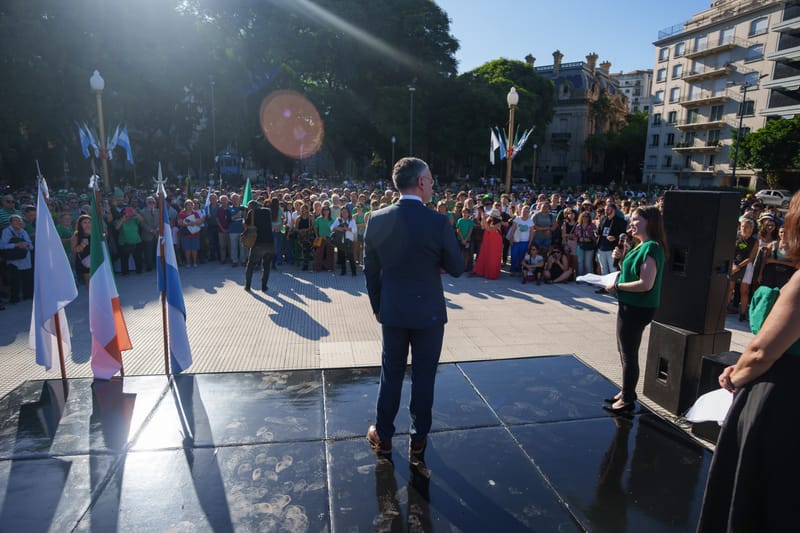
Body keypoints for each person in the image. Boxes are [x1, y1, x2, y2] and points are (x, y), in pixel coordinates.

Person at [697, 191, 800, 532]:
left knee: (755, 497)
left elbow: (761, 352)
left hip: (781, 400)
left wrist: (733, 375)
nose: (782, 229)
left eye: (787, 221)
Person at [364, 157, 464, 456]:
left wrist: (378, 306)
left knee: (391, 374)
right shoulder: (437, 221)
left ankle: (382, 435)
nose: (433, 185)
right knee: (424, 376)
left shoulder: (377, 218)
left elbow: (370, 271)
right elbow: (457, 267)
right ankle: (418, 438)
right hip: (429, 314)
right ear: (421, 183)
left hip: (392, 311)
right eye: (431, 179)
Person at [603, 206, 667, 414]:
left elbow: (645, 284)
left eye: (636, 220)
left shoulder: (652, 248)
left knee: (629, 353)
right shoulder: (640, 245)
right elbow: (629, 273)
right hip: (629, 305)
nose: (631, 223)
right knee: (624, 351)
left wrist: (617, 287)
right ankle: (626, 390)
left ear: (650, 222)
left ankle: (628, 398)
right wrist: (621, 258)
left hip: (638, 307)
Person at [0, 214, 34, 302]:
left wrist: (26, 245)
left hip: (25, 259)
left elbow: (30, 245)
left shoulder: (23, 231)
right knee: (15, 280)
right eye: (16, 220)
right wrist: (16, 245)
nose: (18, 222)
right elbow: (3, 245)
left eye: (20, 220)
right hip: (14, 260)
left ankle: (28, 295)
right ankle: (14, 298)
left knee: (27, 278)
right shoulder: (6, 231)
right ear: (11, 222)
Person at [243, 200, 274, 292]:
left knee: (251, 264)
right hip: (269, 242)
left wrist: (245, 218)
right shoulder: (267, 211)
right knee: (267, 265)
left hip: (258, 243)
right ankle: (264, 286)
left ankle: (248, 286)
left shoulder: (251, 212)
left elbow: (246, 225)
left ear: (250, 207)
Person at [471, 208, 503, 279]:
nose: (490, 216)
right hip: (488, 240)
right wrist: (483, 218)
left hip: (495, 241)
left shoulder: (498, 223)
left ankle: (492, 274)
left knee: (493, 257)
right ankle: (483, 271)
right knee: (485, 255)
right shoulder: (488, 220)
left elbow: (489, 229)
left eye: (491, 216)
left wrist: (483, 218)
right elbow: (483, 226)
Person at [330, 205, 357, 276]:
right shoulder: (338, 220)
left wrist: (347, 229)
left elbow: (354, 230)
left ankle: (354, 272)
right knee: (341, 257)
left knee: (350, 257)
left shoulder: (351, 220)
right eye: (343, 212)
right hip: (340, 241)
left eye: (346, 212)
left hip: (349, 241)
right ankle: (343, 271)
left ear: (348, 213)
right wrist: (338, 228)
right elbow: (331, 228)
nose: (344, 213)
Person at [70, 214, 92, 288]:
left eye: (89, 222)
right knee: (88, 280)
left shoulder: (95, 234)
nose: (87, 224)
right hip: (85, 261)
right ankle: (92, 298)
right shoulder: (76, 235)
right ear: (80, 224)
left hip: (96, 259)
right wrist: (81, 245)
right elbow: (73, 250)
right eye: (85, 222)